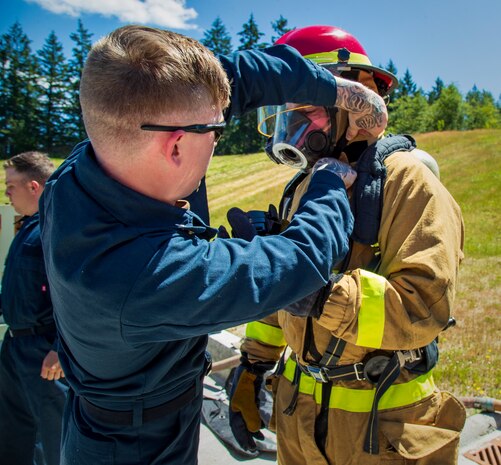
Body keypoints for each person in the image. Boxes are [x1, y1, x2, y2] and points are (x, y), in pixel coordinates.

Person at [38, 25, 388, 465]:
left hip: (118, 412)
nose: (219, 135)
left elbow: (231, 77)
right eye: (216, 133)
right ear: (176, 146)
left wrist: (336, 90)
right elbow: (301, 260)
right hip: (136, 448)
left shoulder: (86, 167)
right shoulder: (139, 275)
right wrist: (329, 184)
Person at [229, 25, 466, 465]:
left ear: (357, 100)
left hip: (382, 431)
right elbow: (283, 295)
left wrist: (320, 295)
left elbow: (422, 308)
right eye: (287, 111)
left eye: (306, 110)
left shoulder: (409, 184)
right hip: (297, 421)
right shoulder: (304, 188)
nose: (293, 125)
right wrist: (253, 365)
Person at [0, 151, 66, 465]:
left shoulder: (55, 231)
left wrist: (60, 348)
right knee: (14, 434)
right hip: (16, 347)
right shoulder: (27, 230)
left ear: (34, 187)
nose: (6, 193)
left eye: (11, 185)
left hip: (43, 353)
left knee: (51, 439)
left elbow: (73, 298)